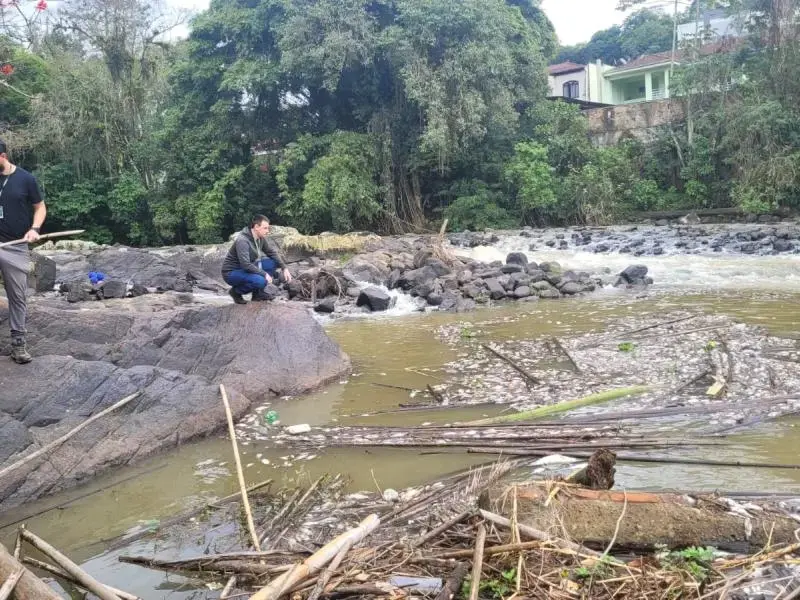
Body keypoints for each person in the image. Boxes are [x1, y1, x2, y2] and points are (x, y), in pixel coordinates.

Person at [0, 139, 46, 364]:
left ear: (3, 156)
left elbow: (40, 207)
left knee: (17, 296)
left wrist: (35, 229)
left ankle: (18, 344)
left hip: (16, 245)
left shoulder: (25, 179)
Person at [221, 215, 293, 304]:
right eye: (265, 228)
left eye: (268, 228)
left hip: (246, 269)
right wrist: (264, 274)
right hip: (231, 273)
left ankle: (258, 294)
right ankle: (235, 292)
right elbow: (245, 264)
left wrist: (284, 268)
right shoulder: (242, 241)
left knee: (273, 263)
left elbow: (271, 252)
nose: (268, 231)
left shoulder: (260, 238)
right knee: (261, 281)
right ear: (256, 227)